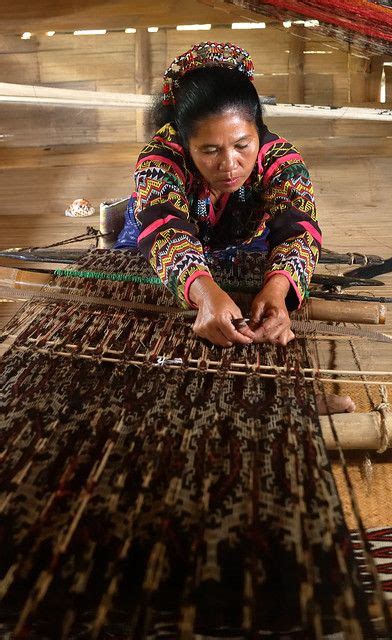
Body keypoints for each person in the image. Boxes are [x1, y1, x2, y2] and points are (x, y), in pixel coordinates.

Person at [116, 42, 355, 414]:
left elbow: (298, 228)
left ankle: (286, 397)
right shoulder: (160, 159)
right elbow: (165, 230)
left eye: (242, 145)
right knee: (136, 304)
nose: (230, 164)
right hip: (152, 237)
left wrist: (277, 291)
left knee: (260, 319)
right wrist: (203, 290)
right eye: (209, 150)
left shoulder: (280, 158)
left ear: (259, 132)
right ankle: (155, 394)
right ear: (185, 142)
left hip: (244, 242)